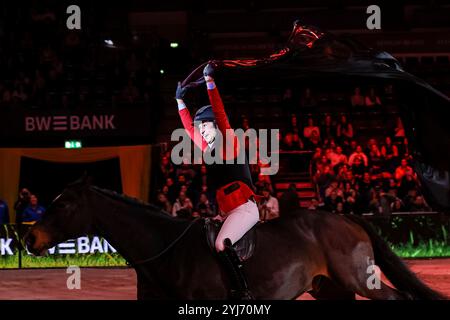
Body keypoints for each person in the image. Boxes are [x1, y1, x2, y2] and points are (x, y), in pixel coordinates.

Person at [175, 63, 259, 299]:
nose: (201, 131)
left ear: (216, 126)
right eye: (200, 127)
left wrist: (210, 82)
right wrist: (180, 103)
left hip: (245, 208)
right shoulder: (208, 149)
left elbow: (220, 113)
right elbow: (189, 130)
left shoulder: (229, 140)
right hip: (227, 211)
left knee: (222, 243)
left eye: (205, 127)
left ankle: (243, 290)